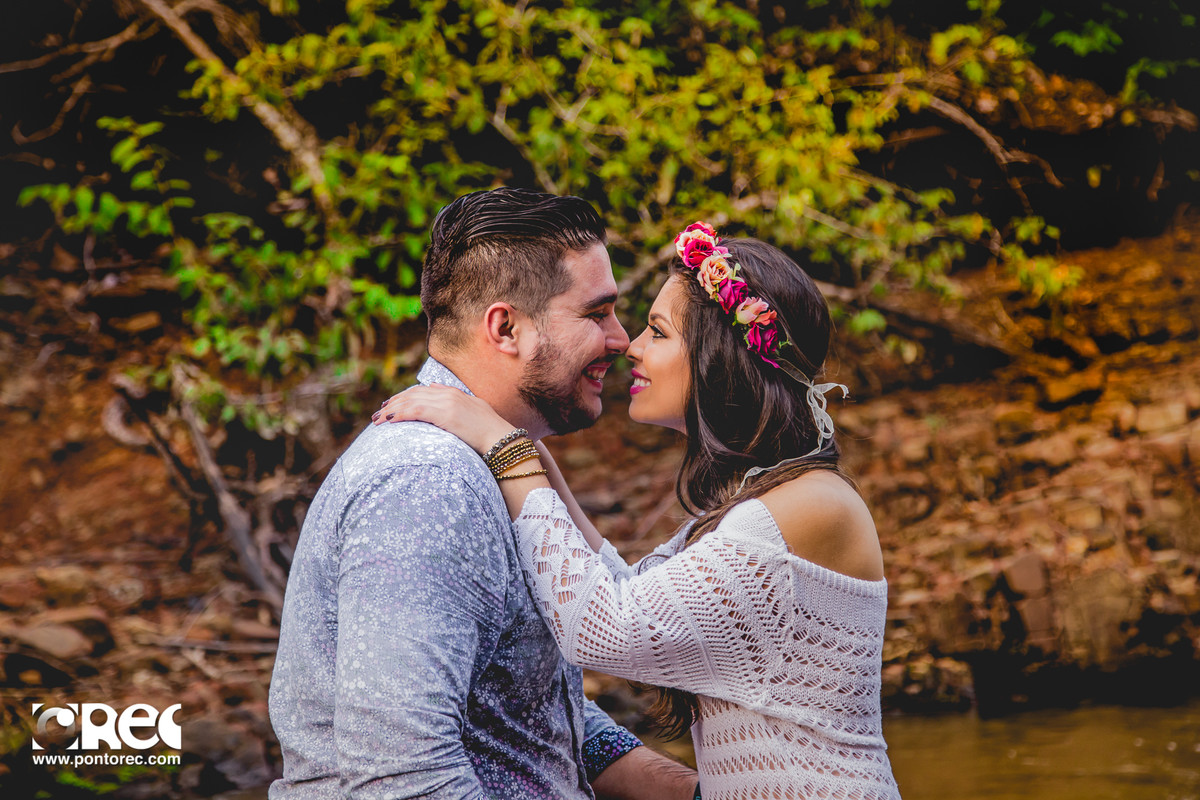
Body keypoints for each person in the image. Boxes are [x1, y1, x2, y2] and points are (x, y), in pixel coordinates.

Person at [375, 222, 903, 800]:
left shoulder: (809, 505)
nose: (632, 345)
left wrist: (506, 451)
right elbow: (627, 589)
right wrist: (520, 447)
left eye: (658, 331)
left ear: (719, 358)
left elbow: (605, 626)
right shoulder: (772, 499)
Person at [268, 188, 700, 799]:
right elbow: (404, 780)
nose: (620, 338)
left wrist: (693, 793)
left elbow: (529, 710)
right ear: (506, 328)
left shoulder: (497, 462)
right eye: (597, 313)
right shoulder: (427, 485)